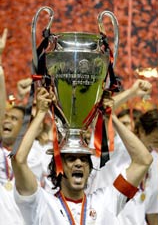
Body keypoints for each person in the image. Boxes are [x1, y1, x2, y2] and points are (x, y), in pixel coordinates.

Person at [11, 86, 153, 225]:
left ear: (90, 168)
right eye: (71, 159)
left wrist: (111, 118)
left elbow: (143, 161)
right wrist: (41, 113)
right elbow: (19, 161)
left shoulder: (107, 200)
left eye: (84, 159)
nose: (78, 163)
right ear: (58, 167)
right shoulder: (40, 203)